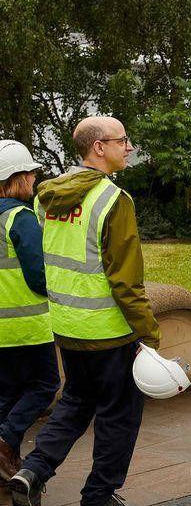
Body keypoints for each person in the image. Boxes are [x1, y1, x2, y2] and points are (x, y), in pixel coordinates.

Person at [11, 116, 160, 506]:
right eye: (122, 140)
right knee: (119, 415)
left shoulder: (45, 196)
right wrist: (149, 333)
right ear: (99, 147)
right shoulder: (114, 200)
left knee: (76, 401)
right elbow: (125, 281)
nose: (128, 147)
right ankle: (99, 494)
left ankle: (33, 469)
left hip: (65, 325)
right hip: (110, 330)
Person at [0, 141, 59, 484]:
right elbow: (39, 276)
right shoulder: (20, 218)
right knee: (45, 384)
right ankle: (6, 440)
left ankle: (8, 459)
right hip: (25, 325)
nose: (35, 177)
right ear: (16, 177)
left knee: (7, 392)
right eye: (31, 172)